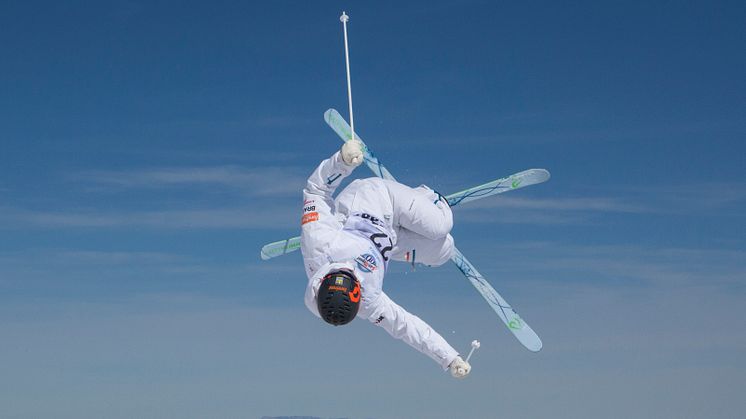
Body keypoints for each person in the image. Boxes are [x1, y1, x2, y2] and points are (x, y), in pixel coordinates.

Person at [300, 139, 472, 379]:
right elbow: (405, 327)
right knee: (444, 251)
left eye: (342, 274)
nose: (349, 271)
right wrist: (449, 358)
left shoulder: (318, 241)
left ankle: (426, 197)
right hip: (388, 241)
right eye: (354, 279)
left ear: (324, 279)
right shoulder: (369, 302)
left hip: (377, 199)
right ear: (357, 293)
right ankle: (415, 222)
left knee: (441, 226)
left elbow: (316, 190)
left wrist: (341, 161)